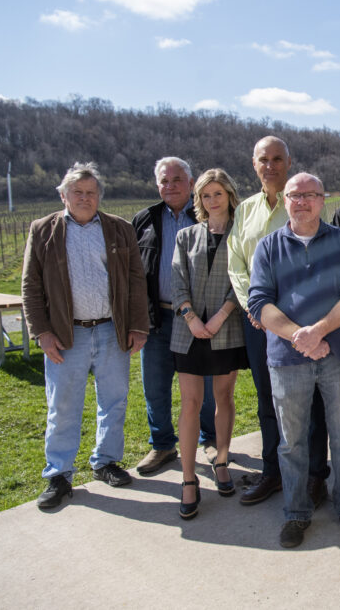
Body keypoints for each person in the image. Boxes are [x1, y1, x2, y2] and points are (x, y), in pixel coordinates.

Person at [247, 173, 340, 547]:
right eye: (295, 195)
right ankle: (296, 513)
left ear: (323, 200)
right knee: (291, 443)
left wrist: (318, 332)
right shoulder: (267, 247)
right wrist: (299, 337)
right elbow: (259, 303)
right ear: (284, 200)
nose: (302, 202)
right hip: (286, 359)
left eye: (310, 195)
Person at [22, 162, 148, 509]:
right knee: (62, 405)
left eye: (91, 193)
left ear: (99, 197)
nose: (84, 198)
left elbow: (137, 281)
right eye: (77, 192)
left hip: (111, 330)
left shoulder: (119, 230)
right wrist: (42, 333)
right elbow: (30, 286)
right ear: (63, 195)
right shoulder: (43, 230)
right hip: (66, 335)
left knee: (114, 400)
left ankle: (106, 461)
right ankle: (59, 474)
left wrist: (138, 326)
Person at [227, 136, 330, 507]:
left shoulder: (305, 204)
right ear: (254, 164)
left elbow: (319, 263)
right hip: (260, 325)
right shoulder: (244, 211)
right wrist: (255, 309)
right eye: (262, 159)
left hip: (303, 325)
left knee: (311, 401)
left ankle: (317, 475)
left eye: (276, 159)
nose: (269, 165)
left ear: (288, 162)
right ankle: (273, 472)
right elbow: (236, 265)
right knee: (268, 400)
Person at [171, 169, 249, 519]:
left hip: (227, 329)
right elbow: (177, 281)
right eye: (206, 195)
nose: (212, 201)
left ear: (229, 196)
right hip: (189, 332)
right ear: (198, 199)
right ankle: (188, 480)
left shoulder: (240, 234)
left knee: (223, 398)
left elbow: (244, 279)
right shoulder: (187, 236)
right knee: (190, 403)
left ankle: (221, 460)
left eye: (218, 194)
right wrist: (191, 318)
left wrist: (219, 317)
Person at [132, 157, 216, 477]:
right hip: (158, 320)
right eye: (164, 181)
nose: (170, 186)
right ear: (157, 186)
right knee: (155, 386)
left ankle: (210, 439)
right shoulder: (144, 220)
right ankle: (163, 444)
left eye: (177, 179)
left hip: (198, 319)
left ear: (191, 183)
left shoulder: (208, 216)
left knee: (204, 385)